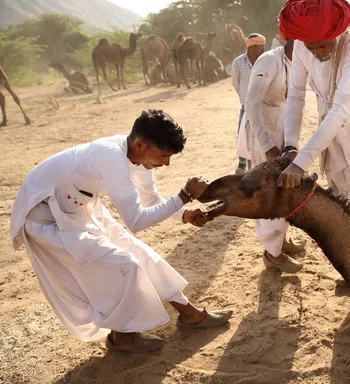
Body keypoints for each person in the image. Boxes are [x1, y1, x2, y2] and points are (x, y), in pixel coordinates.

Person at [9, 110, 233, 353]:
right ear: (140, 144)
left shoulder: (140, 156)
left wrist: (183, 214)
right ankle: (121, 338)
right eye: (163, 155)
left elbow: (150, 199)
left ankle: (190, 314)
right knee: (123, 264)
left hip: (80, 208)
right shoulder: (111, 157)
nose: (166, 163)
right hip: (46, 221)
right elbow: (136, 221)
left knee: (139, 252)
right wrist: (185, 196)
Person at [277, 0, 350, 240]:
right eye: (312, 48)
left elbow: (343, 107)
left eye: (324, 45)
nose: (318, 52)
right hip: (329, 135)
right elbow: (295, 96)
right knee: (338, 202)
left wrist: (300, 164)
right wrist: (291, 144)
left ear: (337, 32)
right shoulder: (303, 47)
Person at [238, 39, 305, 273]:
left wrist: (290, 143)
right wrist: (267, 145)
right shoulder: (269, 60)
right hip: (261, 134)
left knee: (284, 189)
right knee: (268, 193)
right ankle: (272, 254)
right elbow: (251, 103)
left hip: (282, 131)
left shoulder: (298, 61)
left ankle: (281, 242)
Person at [232, 33, 266, 175]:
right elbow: (235, 82)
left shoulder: (266, 61)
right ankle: (242, 164)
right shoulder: (238, 62)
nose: (263, 50)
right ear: (252, 47)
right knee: (243, 135)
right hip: (246, 107)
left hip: (264, 105)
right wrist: (245, 98)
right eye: (260, 47)